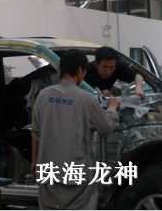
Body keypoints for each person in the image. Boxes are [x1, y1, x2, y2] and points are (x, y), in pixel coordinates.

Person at [31, 50, 120, 209]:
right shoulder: (86, 99)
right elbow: (106, 127)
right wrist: (112, 108)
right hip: (76, 173)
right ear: (80, 70)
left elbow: (36, 134)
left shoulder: (43, 96)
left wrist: (35, 163)